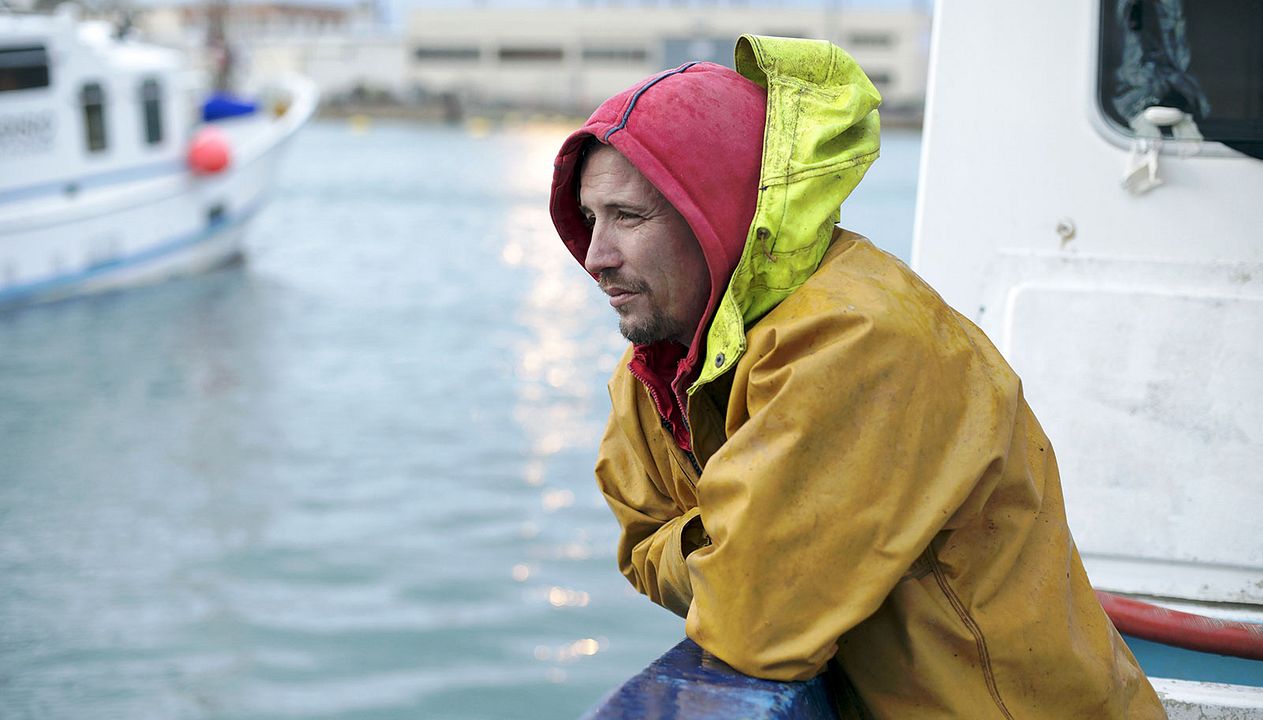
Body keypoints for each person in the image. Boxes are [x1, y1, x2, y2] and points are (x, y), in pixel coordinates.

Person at [549, 35, 1164, 718]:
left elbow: (753, 619)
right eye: (588, 218)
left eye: (629, 217)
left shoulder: (855, 338)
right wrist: (733, 536)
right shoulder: (661, 368)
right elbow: (640, 547)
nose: (596, 256)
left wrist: (729, 542)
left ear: (719, 213)